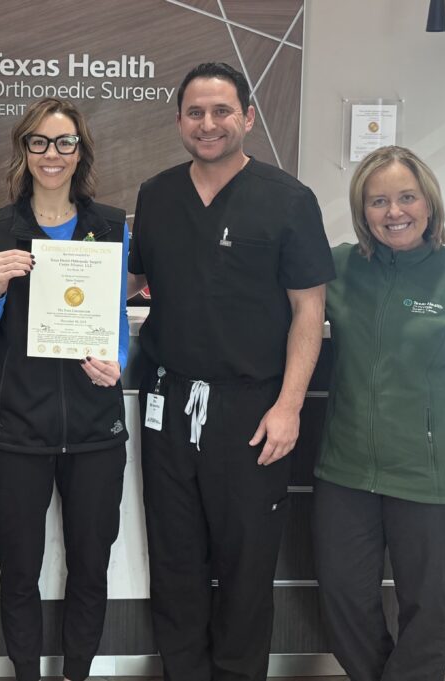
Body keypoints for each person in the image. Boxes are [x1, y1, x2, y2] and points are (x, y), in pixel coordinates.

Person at [127, 62, 335, 680]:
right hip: (167, 401)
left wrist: (290, 405)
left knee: (247, 566)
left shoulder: (289, 200)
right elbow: (133, 282)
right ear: (179, 122)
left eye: (222, 111)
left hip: (252, 410)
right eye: (195, 112)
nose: (208, 124)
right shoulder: (157, 195)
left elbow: (309, 310)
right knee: (175, 559)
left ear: (247, 117)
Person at [313, 145, 445, 681]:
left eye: (406, 197)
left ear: (429, 203)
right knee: (342, 602)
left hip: (437, 479)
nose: (393, 211)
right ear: (362, 210)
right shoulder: (338, 267)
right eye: (378, 201)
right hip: (348, 472)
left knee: (428, 613)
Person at [0, 97, 131, 681]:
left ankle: (78, 673)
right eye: (39, 142)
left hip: (95, 431)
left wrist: (118, 363)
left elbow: (115, 320)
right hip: (18, 432)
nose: (51, 154)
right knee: (19, 568)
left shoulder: (110, 225)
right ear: (24, 150)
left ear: (80, 151)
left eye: (63, 143)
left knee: (90, 566)